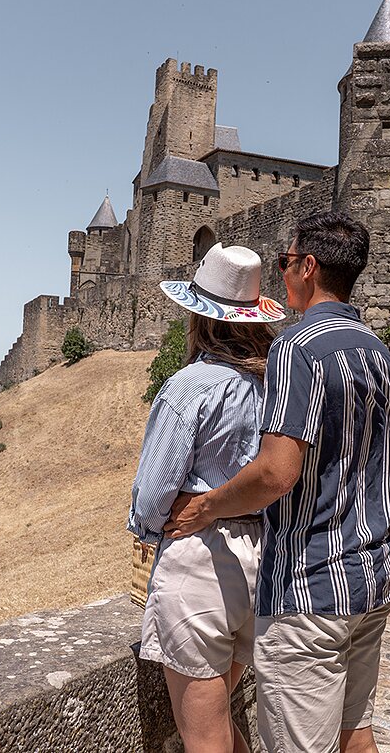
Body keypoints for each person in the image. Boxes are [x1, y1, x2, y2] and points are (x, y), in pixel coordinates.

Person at [167, 212, 390, 753]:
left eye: (284, 262)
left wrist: (206, 506)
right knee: (356, 733)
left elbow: (277, 472)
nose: (281, 274)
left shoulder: (298, 348)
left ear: (307, 266)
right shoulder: (382, 353)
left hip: (310, 586)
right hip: (372, 577)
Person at [128, 242, 285, 753]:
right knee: (222, 725)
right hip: (264, 561)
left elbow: (153, 494)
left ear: (201, 318)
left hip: (202, 561)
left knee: (204, 738)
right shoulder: (278, 385)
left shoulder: (188, 387)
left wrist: (153, 528)